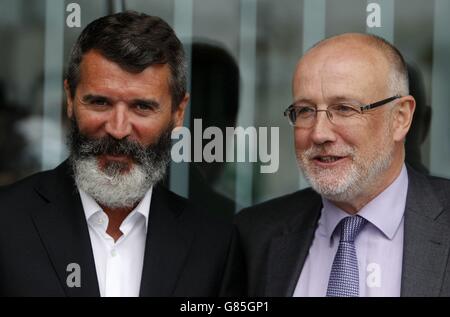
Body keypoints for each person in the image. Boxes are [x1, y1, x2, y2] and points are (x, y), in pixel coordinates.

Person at [0, 11, 236, 297]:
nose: (118, 129)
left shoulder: (217, 242)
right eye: (99, 102)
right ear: (70, 100)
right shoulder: (7, 221)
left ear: (178, 113)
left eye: (142, 107)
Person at [225, 33, 450, 297]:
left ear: (400, 118)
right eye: (306, 111)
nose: (319, 133)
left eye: (344, 108)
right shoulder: (255, 235)